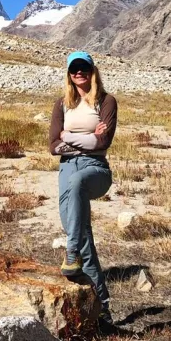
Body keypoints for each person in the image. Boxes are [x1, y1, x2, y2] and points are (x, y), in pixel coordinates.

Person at [49, 51, 118, 326]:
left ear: (92, 71)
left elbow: (102, 143)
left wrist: (70, 136)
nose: (80, 73)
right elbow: (53, 146)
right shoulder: (61, 104)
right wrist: (85, 137)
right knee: (81, 234)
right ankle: (102, 310)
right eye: (74, 69)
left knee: (76, 236)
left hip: (95, 169)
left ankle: (71, 251)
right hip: (67, 168)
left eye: (84, 68)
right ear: (69, 74)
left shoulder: (106, 101)